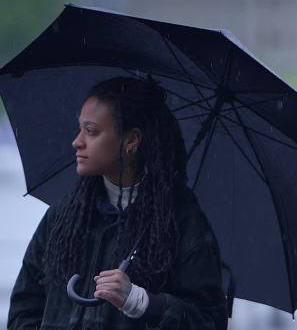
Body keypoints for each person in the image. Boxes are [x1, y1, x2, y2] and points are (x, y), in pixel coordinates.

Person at [8, 77, 227, 329]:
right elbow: (23, 312)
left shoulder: (181, 221)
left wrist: (142, 303)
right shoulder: (62, 217)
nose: (77, 141)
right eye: (80, 129)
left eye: (91, 131)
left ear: (131, 139)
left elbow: (209, 322)